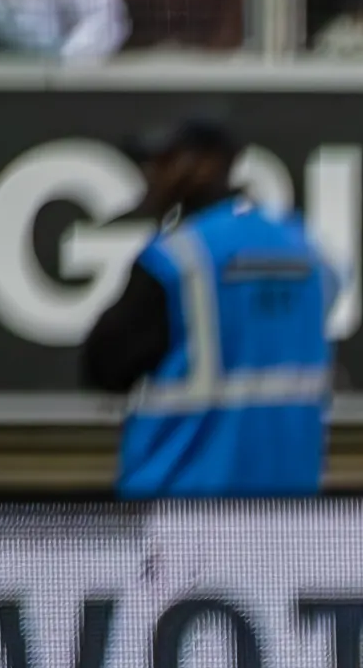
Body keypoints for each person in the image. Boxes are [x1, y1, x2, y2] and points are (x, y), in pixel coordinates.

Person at [76, 111, 343, 499]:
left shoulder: (177, 259)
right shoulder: (309, 253)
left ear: (208, 166)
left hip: (179, 506)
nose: (151, 174)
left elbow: (103, 368)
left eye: (165, 160)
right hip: (287, 514)